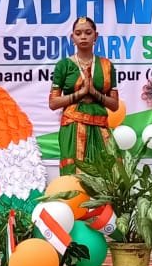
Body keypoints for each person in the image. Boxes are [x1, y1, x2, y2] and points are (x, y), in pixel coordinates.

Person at [49, 17, 120, 175]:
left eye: (88, 33)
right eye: (78, 33)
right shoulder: (64, 65)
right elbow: (53, 103)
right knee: (74, 173)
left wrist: (94, 93)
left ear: (96, 36)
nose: (83, 37)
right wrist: (80, 93)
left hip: (100, 125)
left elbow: (115, 105)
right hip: (73, 126)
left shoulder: (107, 65)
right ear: (72, 37)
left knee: (109, 172)